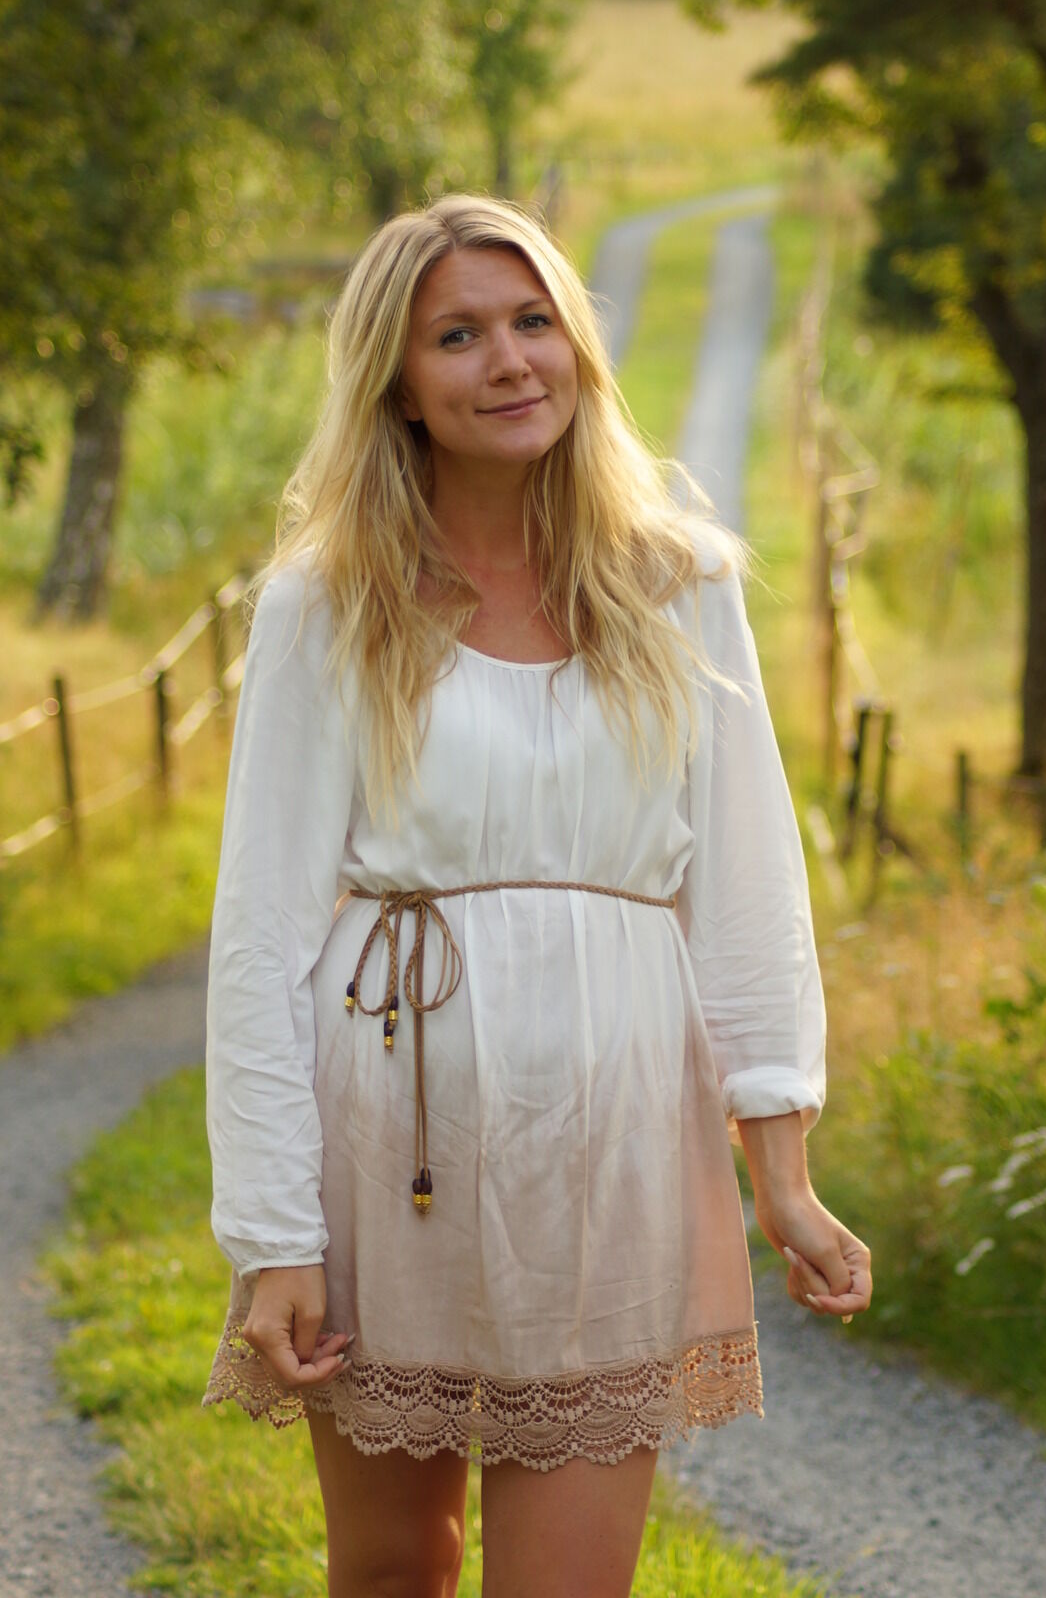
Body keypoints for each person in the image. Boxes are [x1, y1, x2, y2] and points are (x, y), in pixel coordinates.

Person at [201, 192, 872, 1598]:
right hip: (389, 1143)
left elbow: (749, 889)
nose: (510, 362)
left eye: (533, 322)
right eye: (458, 336)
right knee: (393, 1567)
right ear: (397, 381)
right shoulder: (328, 603)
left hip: (615, 1145)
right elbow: (259, 939)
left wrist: (786, 1177)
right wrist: (273, 1240)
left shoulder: (681, 584)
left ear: (578, 344)